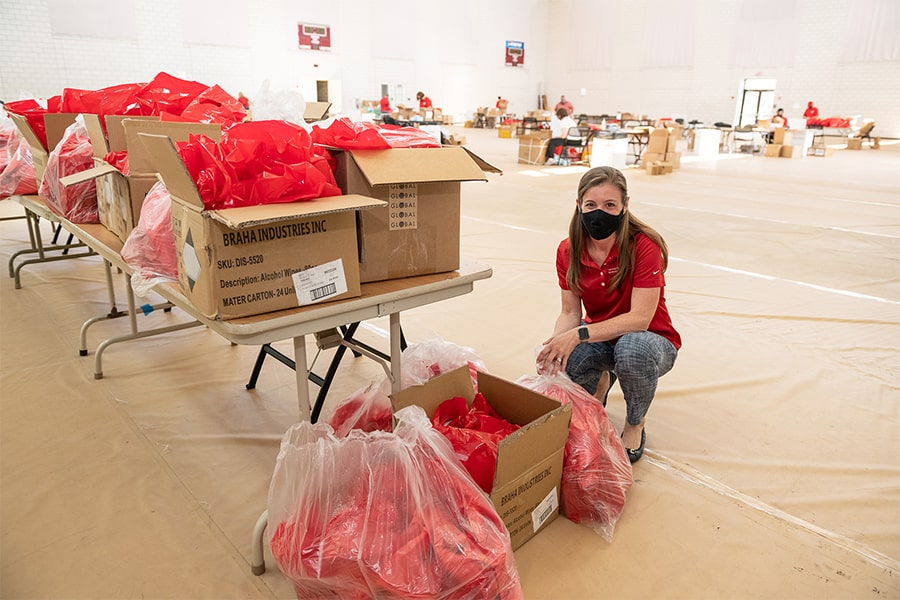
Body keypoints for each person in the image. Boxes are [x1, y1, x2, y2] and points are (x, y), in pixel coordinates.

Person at [536, 167, 681, 463]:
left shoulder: (643, 246)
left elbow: (640, 319)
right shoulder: (568, 251)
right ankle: (599, 387)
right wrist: (557, 344)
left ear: (625, 206)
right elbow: (570, 311)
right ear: (579, 205)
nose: (598, 213)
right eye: (591, 205)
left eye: (609, 205)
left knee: (632, 348)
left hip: (651, 342)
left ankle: (635, 422)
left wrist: (576, 335)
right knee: (569, 358)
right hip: (602, 337)